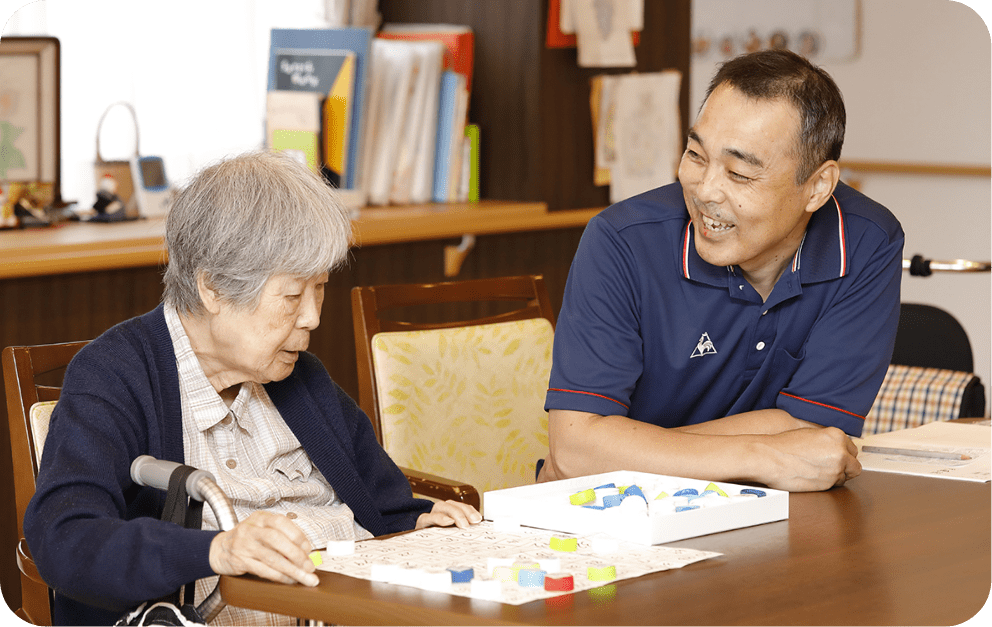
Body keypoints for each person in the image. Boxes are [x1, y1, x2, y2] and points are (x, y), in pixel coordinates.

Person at [24, 151, 482, 627]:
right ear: (213, 289)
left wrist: (421, 524)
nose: (312, 317)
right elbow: (65, 538)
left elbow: (386, 506)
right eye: (292, 296)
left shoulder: (301, 378)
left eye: (320, 288)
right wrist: (217, 549)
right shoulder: (116, 375)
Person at [539, 50, 904, 492]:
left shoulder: (866, 241)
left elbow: (814, 430)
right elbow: (576, 452)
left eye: (740, 173)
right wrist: (764, 455)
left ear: (817, 187)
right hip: (617, 509)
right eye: (696, 154)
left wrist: (618, 450)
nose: (705, 191)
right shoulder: (622, 241)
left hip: (769, 512)